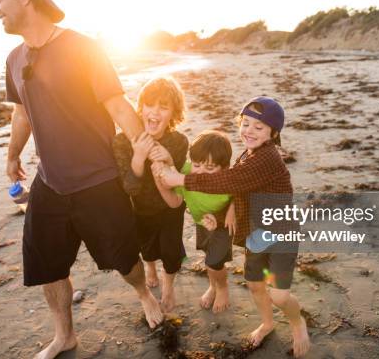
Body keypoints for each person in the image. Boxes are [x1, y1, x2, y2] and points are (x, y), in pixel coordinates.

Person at [0, 0, 162, 359]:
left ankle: (143, 292)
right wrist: (13, 153)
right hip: (49, 182)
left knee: (123, 259)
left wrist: (150, 150)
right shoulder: (14, 58)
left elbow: (117, 104)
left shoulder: (84, 48)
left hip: (99, 180)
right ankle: (64, 335)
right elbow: (21, 113)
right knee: (48, 265)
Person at [159, 97, 311, 357]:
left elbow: (230, 181)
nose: (249, 131)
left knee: (280, 297)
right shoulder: (248, 154)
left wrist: (181, 178)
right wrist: (218, 219)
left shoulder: (267, 159)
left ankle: (298, 323)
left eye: (259, 127)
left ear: (273, 133)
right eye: (246, 123)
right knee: (254, 285)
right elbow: (240, 193)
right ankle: (267, 323)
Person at [112, 77, 188, 313]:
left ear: (173, 113)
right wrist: (138, 157)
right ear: (140, 108)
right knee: (147, 248)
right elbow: (130, 188)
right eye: (150, 105)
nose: (155, 112)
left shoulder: (179, 141)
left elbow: (176, 180)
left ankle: (168, 287)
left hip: (170, 208)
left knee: (171, 250)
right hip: (141, 207)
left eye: (163, 107)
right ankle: (151, 268)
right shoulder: (122, 141)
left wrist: (168, 158)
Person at [152, 130, 235, 313]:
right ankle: (213, 287)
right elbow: (174, 202)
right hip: (202, 223)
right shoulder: (187, 171)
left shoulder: (230, 178)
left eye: (210, 168)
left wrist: (232, 209)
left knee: (214, 262)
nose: (201, 173)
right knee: (208, 257)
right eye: (197, 165)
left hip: (223, 225)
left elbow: (244, 192)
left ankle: (222, 288)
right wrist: (160, 179)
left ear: (225, 167)